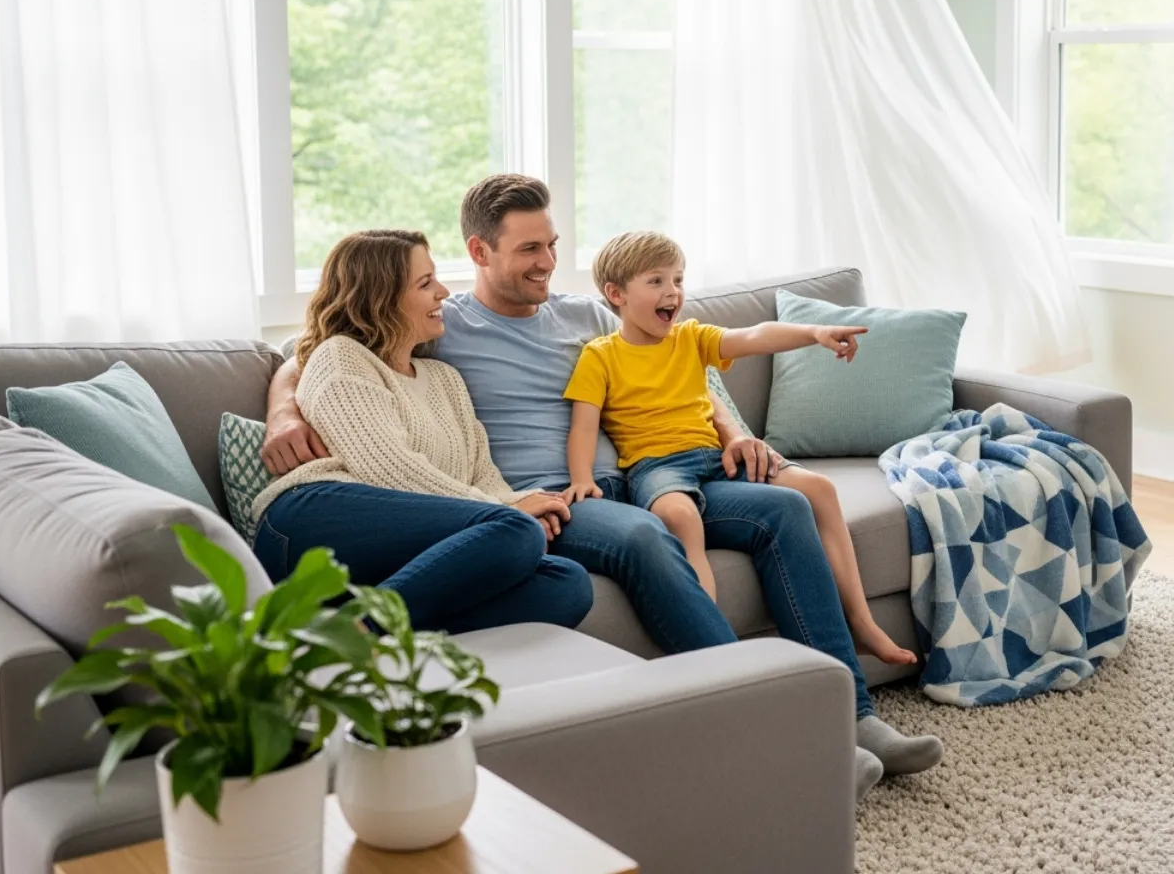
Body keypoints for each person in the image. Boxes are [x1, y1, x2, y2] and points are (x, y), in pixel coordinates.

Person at [262, 176, 942, 800]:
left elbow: (684, 369)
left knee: (785, 508)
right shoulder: (450, 326)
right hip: (552, 496)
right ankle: (772, 731)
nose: (547, 262)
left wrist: (733, 431)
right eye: (528, 248)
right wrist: (284, 410)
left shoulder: (588, 315)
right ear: (480, 250)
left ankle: (854, 718)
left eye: (553, 245)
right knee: (647, 539)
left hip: (644, 475)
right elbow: (321, 346)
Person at [565, 230, 918, 669]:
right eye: (656, 281)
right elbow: (583, 426)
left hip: (716, 457)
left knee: (819, 488)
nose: (672, 291)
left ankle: (861, 622)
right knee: (680, 517)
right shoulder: (600, 356)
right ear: (615, 294)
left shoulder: (691, 337)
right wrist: (582, 479)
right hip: (657, 468)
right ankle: (709, 650)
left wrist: (814, 332)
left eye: (677, 280)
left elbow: (755, 336)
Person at [250, 229, 591, 636]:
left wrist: (520, 501)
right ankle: (363, 631)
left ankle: (360, 627)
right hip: (312, 519)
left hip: (395, 546)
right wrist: (508, 514)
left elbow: (480, 474)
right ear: (382, 297)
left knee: (567, 582)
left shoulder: (445, 379)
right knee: (517, 532)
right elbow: (388, 469)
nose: (443, 292)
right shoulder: (342, 357)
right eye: (426, 283)